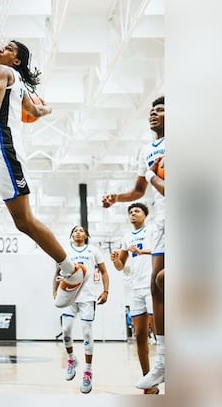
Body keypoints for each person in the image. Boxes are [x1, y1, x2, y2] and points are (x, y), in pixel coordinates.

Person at [0, 40, 89, 328]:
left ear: (15, 61)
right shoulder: (18, 84)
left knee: (23, 222)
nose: (0, 49)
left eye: (8, 48)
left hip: (3, 152)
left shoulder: (1, 71)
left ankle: (71, 271)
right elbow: (34, 112)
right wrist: (46, 110)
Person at [102, 96, 165, 389]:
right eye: (152, 110)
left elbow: (156, 182)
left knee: (162, 281)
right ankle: (157, 368)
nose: (154, 114)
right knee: (157, 285)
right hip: (163, 225)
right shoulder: (146, 151)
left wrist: (152, 175)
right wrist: (118, 197)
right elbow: (139, 189)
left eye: (161, 110)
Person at [110, 203, 160, 394]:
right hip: (135, 289)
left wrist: (143, 252)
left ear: (145, 215)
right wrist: (115, 259)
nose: (133, 214)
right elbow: (120, 266)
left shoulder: (154, 230)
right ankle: (149, 381)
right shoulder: (126, 237)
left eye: (137, 211)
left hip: (152, 286)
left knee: (159, 332)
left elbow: (162, 251)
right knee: (139, 335)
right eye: (130, 212)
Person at [53, 225, 109, 394]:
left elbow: (104, 272)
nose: (78, 232)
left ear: (86, 235)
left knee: (86, 333)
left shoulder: (93, 250)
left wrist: (105, 291)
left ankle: (88, 371)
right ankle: (71, 359)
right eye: (75, 230)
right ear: (71, 236)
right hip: (70, 296)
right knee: (65, 330)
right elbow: (56, 272)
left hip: (87, 297)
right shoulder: (65, 251)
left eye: (81, 230)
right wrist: (54, 291)